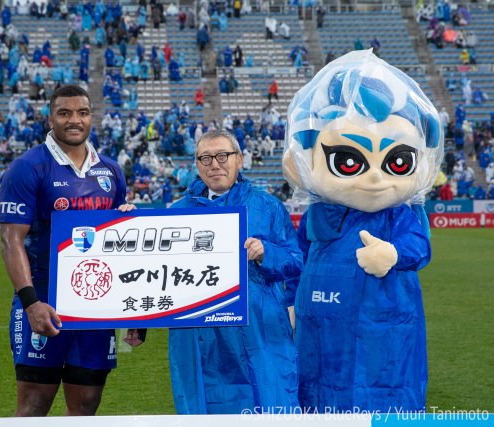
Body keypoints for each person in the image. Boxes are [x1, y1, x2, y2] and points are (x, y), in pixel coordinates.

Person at [283, 50, 443, 412]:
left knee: (386, 387)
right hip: (321, 324)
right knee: (320, 390)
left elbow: (419, 245)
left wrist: (393, 253)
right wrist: (290, 302)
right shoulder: (318, 216)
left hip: (385, 321)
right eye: (348, 160)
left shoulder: (399, 215)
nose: (374, 178)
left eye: (397, 161)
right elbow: (297, 262)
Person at [0, 85, 142, 417]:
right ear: (50, 118)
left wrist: (134, 313)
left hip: (96, 307)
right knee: (33, 407)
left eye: (82, 113)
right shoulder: (27, 167)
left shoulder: (111, 171)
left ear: (91, 117)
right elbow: (10, 241)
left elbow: (119, 243)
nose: (74, 120)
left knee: (86, 407)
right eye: (64, 113)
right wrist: (31, 303)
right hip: (45, 301)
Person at [168, 129, 303, 414]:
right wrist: (129, 220)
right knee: (206, 408)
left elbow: (295, 261)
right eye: (205, 158)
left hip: (258, 329)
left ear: (239, 159)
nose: (214, 164)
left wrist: (266, 253)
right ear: (196, 164)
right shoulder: (177, 211)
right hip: (198, 333)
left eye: (222, 156)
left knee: (267, 404)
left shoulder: (267, 206)